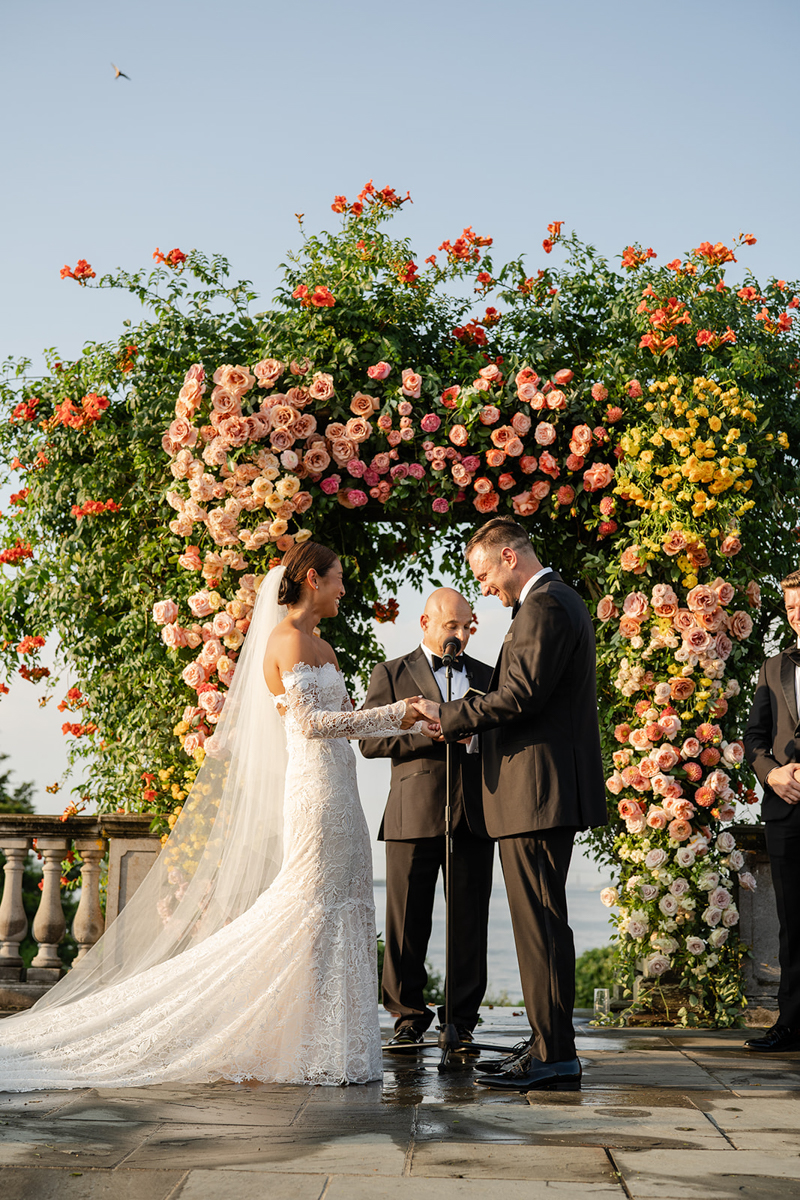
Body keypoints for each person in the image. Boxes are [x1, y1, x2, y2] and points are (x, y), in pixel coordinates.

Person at [0, 542, 433, 1090]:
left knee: (344, 907)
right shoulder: (285, 640)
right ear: (309, 579)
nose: (343, 589)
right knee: (309, 907)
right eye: (337, 578)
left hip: (343, 788)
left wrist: (412, 722)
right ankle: (284, 1037)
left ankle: (332, 1045)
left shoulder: (323, 646)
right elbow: (310, 725)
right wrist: (403, 709)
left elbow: (346, 719)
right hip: (315, 793)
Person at [414, 517, 607, 1092]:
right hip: (537, 793)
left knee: (541, 925)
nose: (484, 590)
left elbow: (520, 695)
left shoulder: (545, 606)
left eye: (483, 574)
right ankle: (548, 1042)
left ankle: (556, 1059)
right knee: (537, 923)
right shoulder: (550, 603)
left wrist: (447, 716)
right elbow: (523, 693)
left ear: (507, 556)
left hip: (538, 794)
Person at [360, 588, 494, 1052]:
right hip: (411, 813)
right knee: (406, 923)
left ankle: (461, 1020)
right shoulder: (391, 673)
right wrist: (425, 735)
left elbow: (500, 738)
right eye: (450, 625)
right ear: (425, 623)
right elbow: (370, 740)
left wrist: (473, 737)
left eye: (466, 626)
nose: (459, 634)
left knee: (470, 922)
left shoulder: (488, 676)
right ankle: (407, 1017)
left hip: (474, 815)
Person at [743, 568, 800, 1053]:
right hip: (786, 810)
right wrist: (771, 773)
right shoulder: (772, 666)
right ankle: (791, 1024)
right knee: (792, 921)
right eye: (790, 605)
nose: (795, 613)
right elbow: (754, 738)